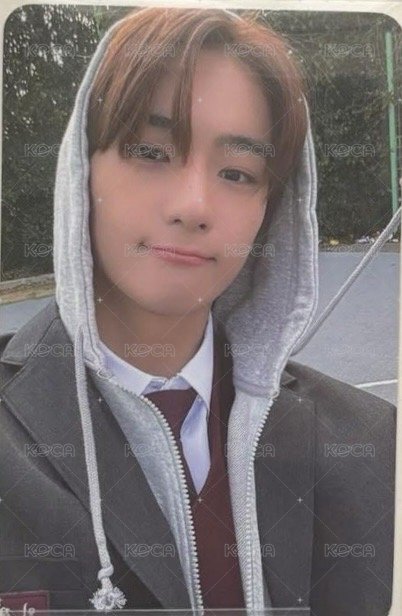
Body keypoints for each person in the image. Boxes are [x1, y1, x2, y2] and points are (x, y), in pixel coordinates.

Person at [0, 7, 396, 615]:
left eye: (237, 172)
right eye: (150, 151)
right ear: (82, 169)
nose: (193, 205)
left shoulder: (365, 442)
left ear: (272, 209)